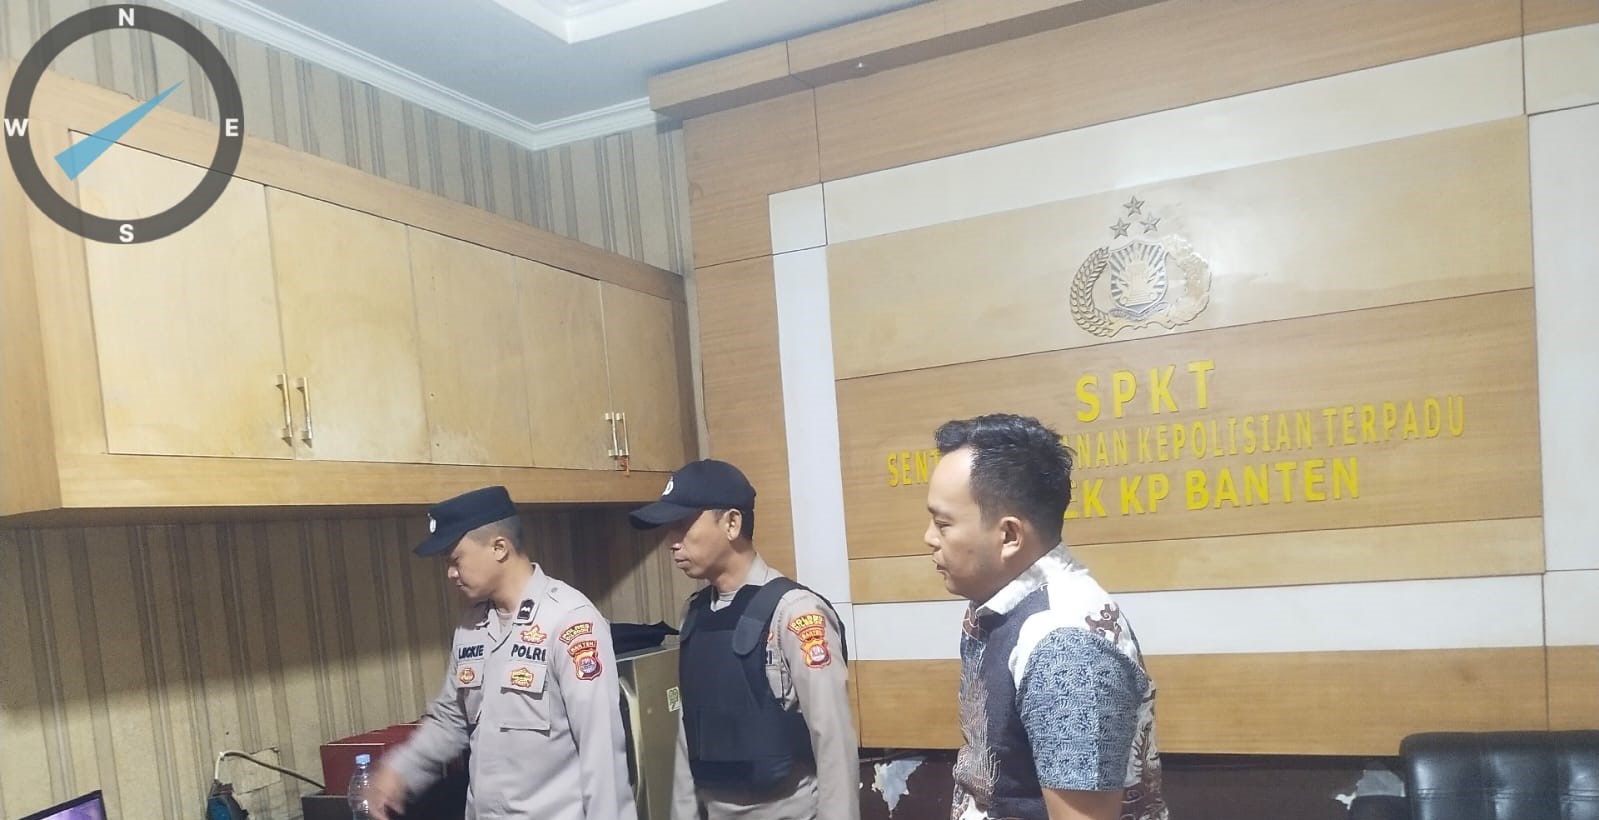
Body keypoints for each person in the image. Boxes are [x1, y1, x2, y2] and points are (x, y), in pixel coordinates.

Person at [925, 414, 1168, 820]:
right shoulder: (1002, 609)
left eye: (942, 523)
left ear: (1009, 535)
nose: (929, 538)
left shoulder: (1064, 647)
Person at [365, 485, 637, 820]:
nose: (450, 573)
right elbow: (452, 718)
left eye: (455, 559)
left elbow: (602, 753)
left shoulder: (569, 622)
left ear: (499, 548)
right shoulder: (472, 626)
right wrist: (400, 769)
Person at [628, 459, 860, 820]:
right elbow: (689, 735)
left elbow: (833, 740)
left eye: (682, 525)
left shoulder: (795, 613)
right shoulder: (695, 614)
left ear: (732, 523)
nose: (671, 542)